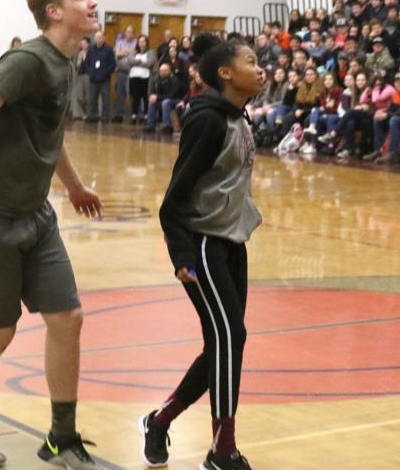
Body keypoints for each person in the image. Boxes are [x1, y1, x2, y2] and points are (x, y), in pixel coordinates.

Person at [0, 0, 104, 468]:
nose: (93, 2)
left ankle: (62, 437)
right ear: (54, 12)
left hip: (37, 216)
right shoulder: (27, 60)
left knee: (68, 317)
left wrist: (75, 185)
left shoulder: (66, 62)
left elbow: (49, 132)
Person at [138, 36, 264, 470]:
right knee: (232, 338)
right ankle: (222, 449)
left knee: (223, 344)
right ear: (226, 74)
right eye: (251, 61)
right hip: (204, 246)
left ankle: (160, 421)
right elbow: (174, 197)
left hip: (233, 244)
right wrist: (181, 256)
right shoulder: (207, 121)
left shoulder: (239, 116)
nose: (261, 68)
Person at [83, 30, 115, 123]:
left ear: (103, 38)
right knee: (92, 98)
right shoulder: (91, 50)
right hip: (93, 78)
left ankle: (105, 117)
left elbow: (112, 64)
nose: (98, 39)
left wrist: (105, 73)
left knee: (105, 99)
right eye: (96, 37)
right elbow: (87, 63)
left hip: (104, 79)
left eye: (100, 37)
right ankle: (92, 116)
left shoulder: (109, 50)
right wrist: (90, 72)